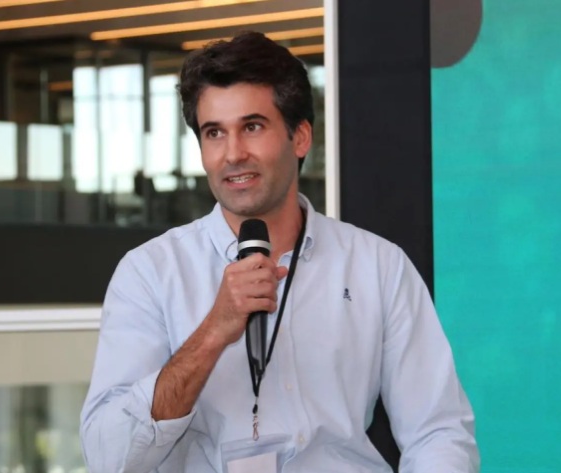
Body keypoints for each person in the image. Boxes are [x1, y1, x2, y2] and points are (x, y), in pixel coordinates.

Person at [80, 31, 479, 473]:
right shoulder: (150, 272)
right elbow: (109, 458)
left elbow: (438, 432)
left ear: (301, 137)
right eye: (215, 133)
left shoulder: (377, 265)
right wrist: (212, 332)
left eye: (252, 127)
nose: (233, 154)